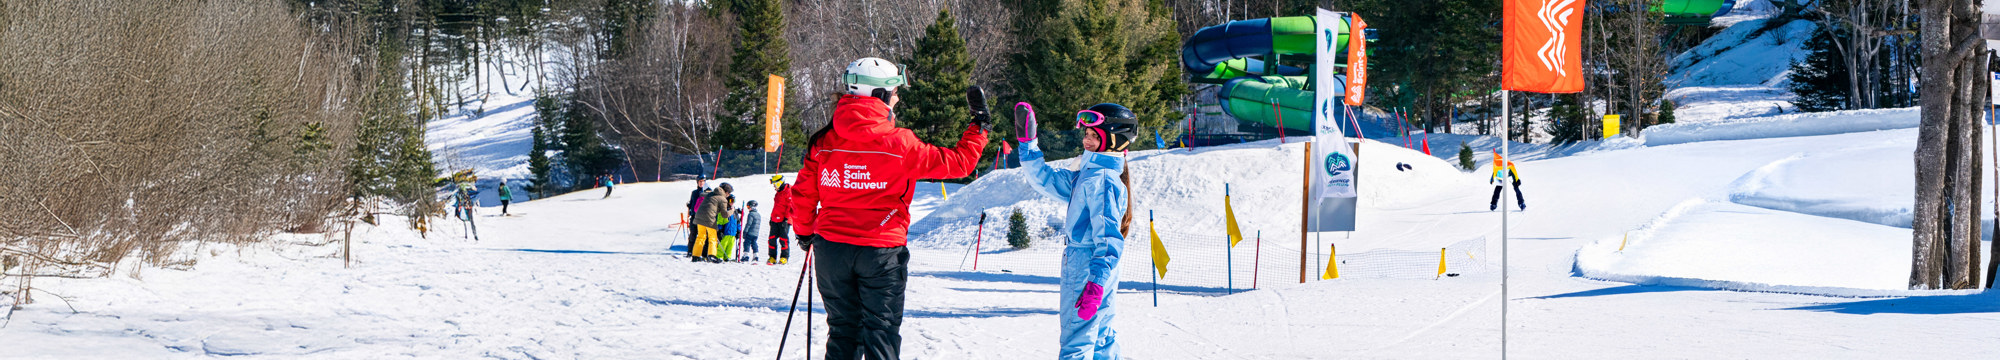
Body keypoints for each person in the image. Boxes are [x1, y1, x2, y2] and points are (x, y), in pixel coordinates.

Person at [793, 57, 990, 360]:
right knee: (880, 333)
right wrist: (979, 127)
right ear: (879, 95)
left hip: (832, 251)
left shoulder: (824, 139)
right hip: (880, 252)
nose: (897, 97)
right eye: (895, 91)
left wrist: (805, 233)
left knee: (843, 331)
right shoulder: (900, 143)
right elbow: (959, 163)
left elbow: (804, 194)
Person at [1019, 103, 1135, 360]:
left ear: (1114, 140)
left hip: (1088, 268)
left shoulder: (1101, 179)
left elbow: (1108, 238)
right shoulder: (1087, 175)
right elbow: (1045, 180)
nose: (1086, 140)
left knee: (1077, 342)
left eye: (1094, 135)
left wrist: (1094, 283)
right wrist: (1029, 145)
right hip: (1099, 270)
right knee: (1101, 338)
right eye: (1086, 134)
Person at [692, 182, 733, 262]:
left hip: (699, 216)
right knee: (713, 237)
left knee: (701, 236)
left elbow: (702, 195)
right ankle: (712, 256)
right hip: (709, 218)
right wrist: (732, 211)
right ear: (726, 192)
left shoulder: (711, 194)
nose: (728, 195)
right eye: (729, 193)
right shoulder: (723, 199)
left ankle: (695, 256)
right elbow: (724, 215)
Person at [767, 175, 794, 265]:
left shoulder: (789, 191)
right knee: (771, 239)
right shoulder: (778, 192)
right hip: (775, 219)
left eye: (775, 185)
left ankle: (784, 257)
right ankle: (772, 257)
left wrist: (786, 218)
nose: (774, 187)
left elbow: (790, 206)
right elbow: (776, 207)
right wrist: (772, 217)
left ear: (779, 183)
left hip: (785, 220)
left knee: (783, 239)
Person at [686, 177, 709, 256]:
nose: (701, 183)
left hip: (703, 218)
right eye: (700, 181)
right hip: (694, 217)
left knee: (703, 235)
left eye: (703, 181)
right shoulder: (694, 192)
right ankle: (690, 251)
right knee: (693, 234)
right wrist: (690, 207)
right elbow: (692, 203)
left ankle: (703, 252)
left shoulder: (708, 192)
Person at [720, 197, 741, 262]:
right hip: (726, 231)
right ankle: (719, 256)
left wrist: (738, 231)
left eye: (733, 201)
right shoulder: (725, 210)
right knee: (723, 245)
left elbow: (738, 222)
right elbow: (720, 221)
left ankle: (727, 257)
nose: (732, 202)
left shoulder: (735, 212)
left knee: (730, 246)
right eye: (731, 200)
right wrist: (720, 230)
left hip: (733, 232)